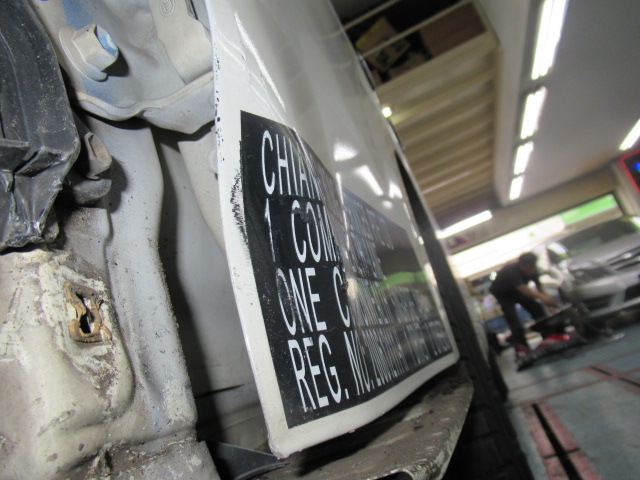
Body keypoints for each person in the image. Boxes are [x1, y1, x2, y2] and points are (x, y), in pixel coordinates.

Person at [489, 252, 556, 356]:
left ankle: (548, 335)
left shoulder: (533, 270)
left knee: (537, 308)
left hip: (517, 292)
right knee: (513, 318)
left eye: (532, 268)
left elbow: (539, 287)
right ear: (521, 265)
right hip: (502, 293)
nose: (531, 271)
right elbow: (524, 289)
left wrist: (548, 302)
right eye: (528, 268)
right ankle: (522, 347)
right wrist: (543, 298)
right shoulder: (511, 271)